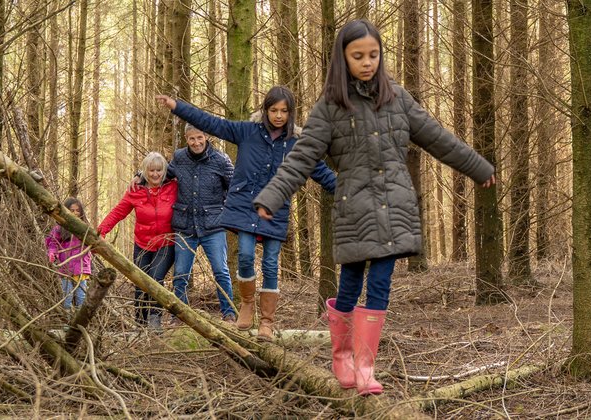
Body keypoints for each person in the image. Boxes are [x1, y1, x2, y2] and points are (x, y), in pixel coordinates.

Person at [251, 19, 496, 395]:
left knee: (381, 283)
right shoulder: (330, 108)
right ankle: (342, 355)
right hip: (355, 211)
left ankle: (366, 367)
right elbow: (300, 160)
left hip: (396, 208)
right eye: (358, 56)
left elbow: (438, 138)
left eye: (373, 55)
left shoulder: (397, 98)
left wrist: (479, 167)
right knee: (350, 284)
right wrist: (271, 196)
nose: (367, 62)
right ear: (343, 59)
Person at [156, 86, 337, 340]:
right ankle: (247, 304)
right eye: (273, 110)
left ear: (291, 113)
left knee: (271, 263)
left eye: (284, 111)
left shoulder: (297, 144)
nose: (278, 116)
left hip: (275, 209)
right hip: (245, 207)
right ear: (265, 110)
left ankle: (267, 322)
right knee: (245, 254)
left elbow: (322, 173)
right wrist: (178, 106)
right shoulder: (247, 131)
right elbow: (211, 122)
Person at [165, 124, 237, 322]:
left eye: (199, 138)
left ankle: (229, 313)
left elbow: (235, 188)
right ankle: (179, 315)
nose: (196, 142)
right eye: (191, 139)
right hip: (185, 226)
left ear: (206, 137)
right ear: (186, 140)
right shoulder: (179, 157)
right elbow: (163, 175)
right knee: (180, 274)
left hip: (213, 225)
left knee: (221, 271)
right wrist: (141, 176)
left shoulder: (221, 160)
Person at [99, 152, 178, 330]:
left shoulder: (173, 186)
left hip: (166, 242)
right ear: (145, 171)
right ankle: (140, 323)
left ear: (164, 171)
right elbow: (117, 212)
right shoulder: (136, 191)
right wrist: (100, 231)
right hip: (142, 243)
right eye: (151, 170)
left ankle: (155, 319)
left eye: (159, 170)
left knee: (155, 278)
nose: (155, 174)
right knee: (140, 281)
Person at [45, 197, 92, 312]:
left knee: (81, 297)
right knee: (67, 297)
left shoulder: (85, 228)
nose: (75, 213)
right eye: (71, 210)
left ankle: (79, 325)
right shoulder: (59, 228)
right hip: (66, 268)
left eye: (77, 210)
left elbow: (93, 244)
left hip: (81, 267)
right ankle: (68, 322)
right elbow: (52, 243)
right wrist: (52, 253)